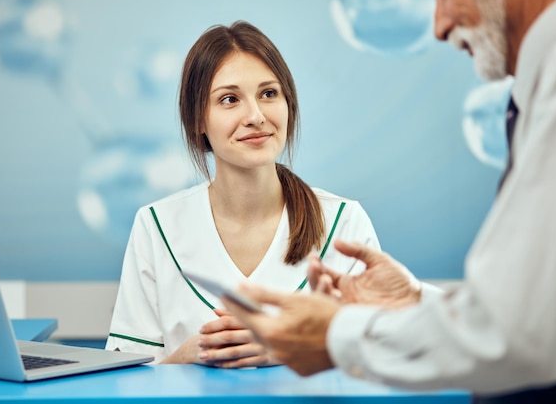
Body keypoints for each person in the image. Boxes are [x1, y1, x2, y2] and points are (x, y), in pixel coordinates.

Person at [223, 0, 556, 401]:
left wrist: (336, 334)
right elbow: (545, 304)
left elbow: (520, 334)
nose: (439, 26)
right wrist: (413, 298)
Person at [105, 21, 380, 368]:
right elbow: (124, 382)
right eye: (229, 99)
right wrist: (185, 358)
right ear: (197, 120)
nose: (255, 116)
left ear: (288, 104)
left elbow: (381, 355)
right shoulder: (156, 225)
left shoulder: (344, 222)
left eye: (268, 93)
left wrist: (289, 349)